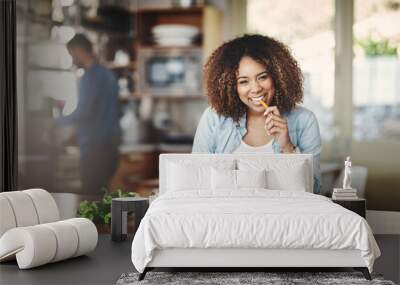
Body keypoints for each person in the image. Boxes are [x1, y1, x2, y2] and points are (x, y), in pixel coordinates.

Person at [192, 34, 321, 193]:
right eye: (243, 81)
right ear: (231, 87)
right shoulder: (213, 119)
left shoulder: (304, 120)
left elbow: (314, 189)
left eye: (263, 77)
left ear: (278, 77)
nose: (256, 88)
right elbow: (196, 181)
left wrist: (288, 147)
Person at [57, 33, 121, 195]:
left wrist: (57, 121)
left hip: (94, 147)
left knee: (91, 196)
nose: (72, 60)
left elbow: (85, 111)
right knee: (103, 195)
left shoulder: (90, 77)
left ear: (78, 51)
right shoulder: (108, 75)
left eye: (72, 55)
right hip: (111, 146)